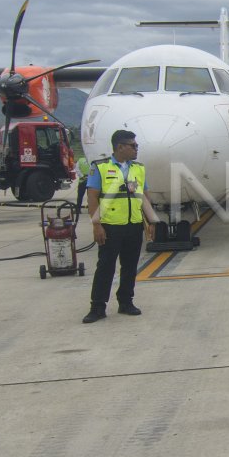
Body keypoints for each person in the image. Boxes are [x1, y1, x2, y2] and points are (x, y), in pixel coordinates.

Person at [83, 130, 159, 324]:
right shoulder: (100, 168)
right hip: (110, 226)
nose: (136, 149)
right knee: (106, 267)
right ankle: (98, 306)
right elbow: (92, 197)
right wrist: (96, 225)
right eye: (133, 146)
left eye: (136, 145)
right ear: (120, 147)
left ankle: (126, 301)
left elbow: (143, 195)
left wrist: (150, 221)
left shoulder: (138, 169)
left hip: (133, 225)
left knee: (130, 266)